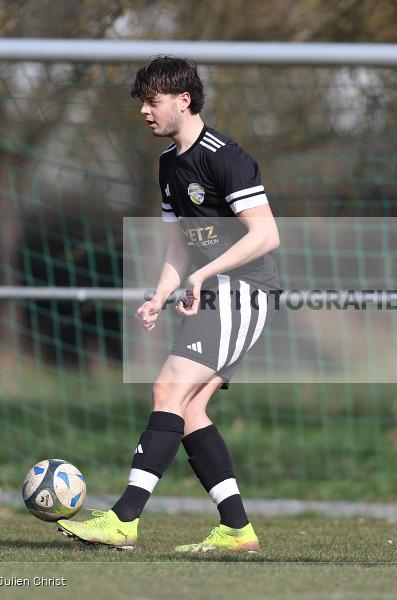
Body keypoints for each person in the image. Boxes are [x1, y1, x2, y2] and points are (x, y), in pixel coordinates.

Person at [60, 55, 280, 554]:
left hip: (245, 292)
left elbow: (266, 234)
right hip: (218, 293)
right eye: (141, 101)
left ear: (184, 99)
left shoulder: (226, 157)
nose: (144, 111)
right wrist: (160, 293)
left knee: (167, 388)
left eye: (152, 100)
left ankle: (123, 520)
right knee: (191, 410)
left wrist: (205, 273)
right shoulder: (168, 165)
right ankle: (237, 529)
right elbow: (181, 245)